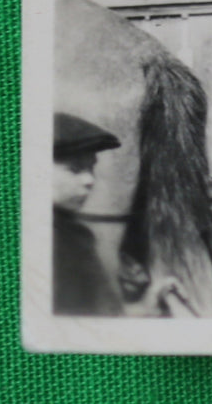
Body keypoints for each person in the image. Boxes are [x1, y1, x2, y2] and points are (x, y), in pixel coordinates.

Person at [53, 112, 185, 316]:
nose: (90, 180)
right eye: (74, 169)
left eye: (91, 168)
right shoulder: (53, 240)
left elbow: (94, 318)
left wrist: (146, 306)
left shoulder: (73, 234)